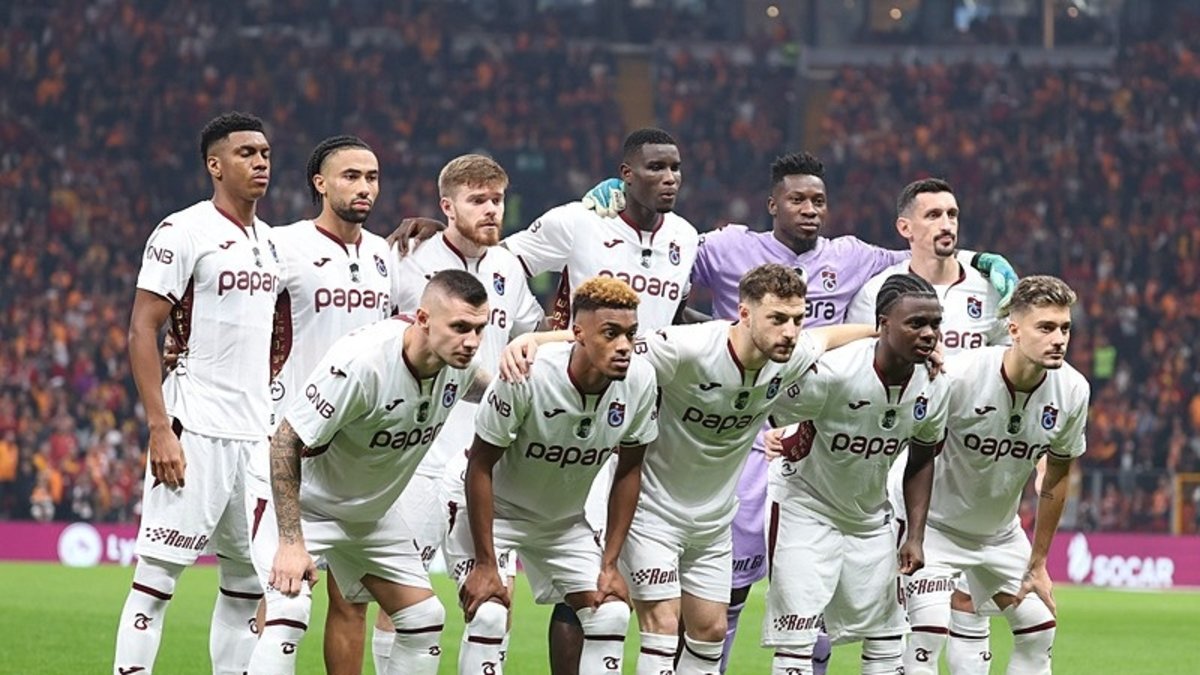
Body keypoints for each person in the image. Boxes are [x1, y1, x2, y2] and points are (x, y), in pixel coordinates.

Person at [679, 154, 1015, 672]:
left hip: (823, 423)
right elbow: (666, 260)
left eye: (818, 200)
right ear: (772, 204)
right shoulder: (728, 246)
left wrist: (981, 259)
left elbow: (924, 251)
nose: (809, 209)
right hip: (743, 428)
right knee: (730, 581)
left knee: (819, 600)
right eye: (797, 199)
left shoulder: (853, 256)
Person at [506, 263, 875, 674]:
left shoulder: (788, 354)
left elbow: (830, 337)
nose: (789, 331)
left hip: (713, 522)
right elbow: (609, 342)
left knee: (710, 632)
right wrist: (535, 339)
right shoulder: (688, 348)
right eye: (777, 319)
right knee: (662, 627)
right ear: (745, 314)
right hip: (653, 513)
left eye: (797, 319)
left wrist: (884, 332)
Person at [341, 153, 543, 674]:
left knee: (495, 598)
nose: (492, 210)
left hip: (489, 454)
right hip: (416, 455)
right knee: (403, 600)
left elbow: (530, 337)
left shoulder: (508, 268)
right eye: (477, 200)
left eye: (497, 199)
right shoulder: (405, 258)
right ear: (447, 206)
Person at [246, 270, 489, 674]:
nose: (472, 341)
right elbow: (286, 441)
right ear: (423, 319)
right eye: (460, 327)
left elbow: (495, 388)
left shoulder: (460, 366)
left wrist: (540, 344)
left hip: (365, 514)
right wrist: (290, 542)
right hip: (301, 502)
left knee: (424, 618)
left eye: (480, 329)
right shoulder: (362, 364)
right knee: (289, 612)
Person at [116, 111, 279, 675]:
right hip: (195, 426)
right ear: (215, 164)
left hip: (254, 437)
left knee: (245, 584)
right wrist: (160, 428)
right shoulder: (182, 231)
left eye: (265, 153)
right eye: (246, 153)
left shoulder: (271, 243)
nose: (260, 162)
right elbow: (142, 329)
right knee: (156, 579)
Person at [450, 276, 656, 675]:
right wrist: (486, 564)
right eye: (610, 334)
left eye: (630, 334)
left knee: (611, 614)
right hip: (495, 511)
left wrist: (610, 563)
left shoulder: (641, 380)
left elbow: (630, 469)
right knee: (490, 616)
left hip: (562, 522)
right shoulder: (527, 374)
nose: (624, 346)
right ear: (577, 333)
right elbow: (480, 464)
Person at [846, 177, 1010, 671]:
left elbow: (1008, 361)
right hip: (905, 453)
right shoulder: (879, 290)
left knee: (970, 601)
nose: (946, 224)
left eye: (952, 214)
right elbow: (864, 362)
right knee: (910, 595)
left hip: (971, 455)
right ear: (906, 228)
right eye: (933, 215)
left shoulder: (988, 286)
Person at [253, 135, 395, 675]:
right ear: (321, 183)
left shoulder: (384, 255)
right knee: (282, 595)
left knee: (352, 599)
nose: (364, 187)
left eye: (372, 177)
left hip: (358, 453)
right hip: (294, 443)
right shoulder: (283, 245)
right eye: (351, 176)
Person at [900, 276, 1088, 675]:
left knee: (1039, 630)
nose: (1059, 339)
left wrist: (1038, 561)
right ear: (1013, 330)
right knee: (928, 632)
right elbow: (912, 448)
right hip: (934, 527)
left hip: (999, 533)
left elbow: (1057, 476)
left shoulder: (1073, 390)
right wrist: (910, 534)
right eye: (1046, 328)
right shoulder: (960, 376)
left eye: (1065, 328)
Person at [763, 273, 949, 675]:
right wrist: (785, 437)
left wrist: (915, 536)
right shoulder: (836, 371)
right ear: (883, 323)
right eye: (916, 323)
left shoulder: (934, 385)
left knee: (887, 637)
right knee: (796, 637)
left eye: (935, 324)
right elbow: (775, 410)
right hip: (805, 507)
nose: (929, 333)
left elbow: (922, 459)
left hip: (869, 517)